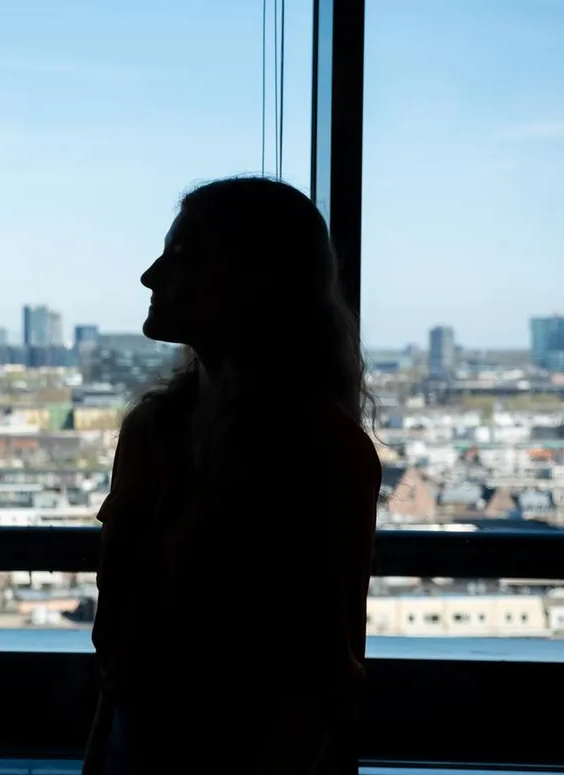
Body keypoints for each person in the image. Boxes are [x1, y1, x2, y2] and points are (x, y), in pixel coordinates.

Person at [82, 177, 382, 775]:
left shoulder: (161, 432)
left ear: (254, 280)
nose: (150, 276)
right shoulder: (318, 444)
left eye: (181, 257)